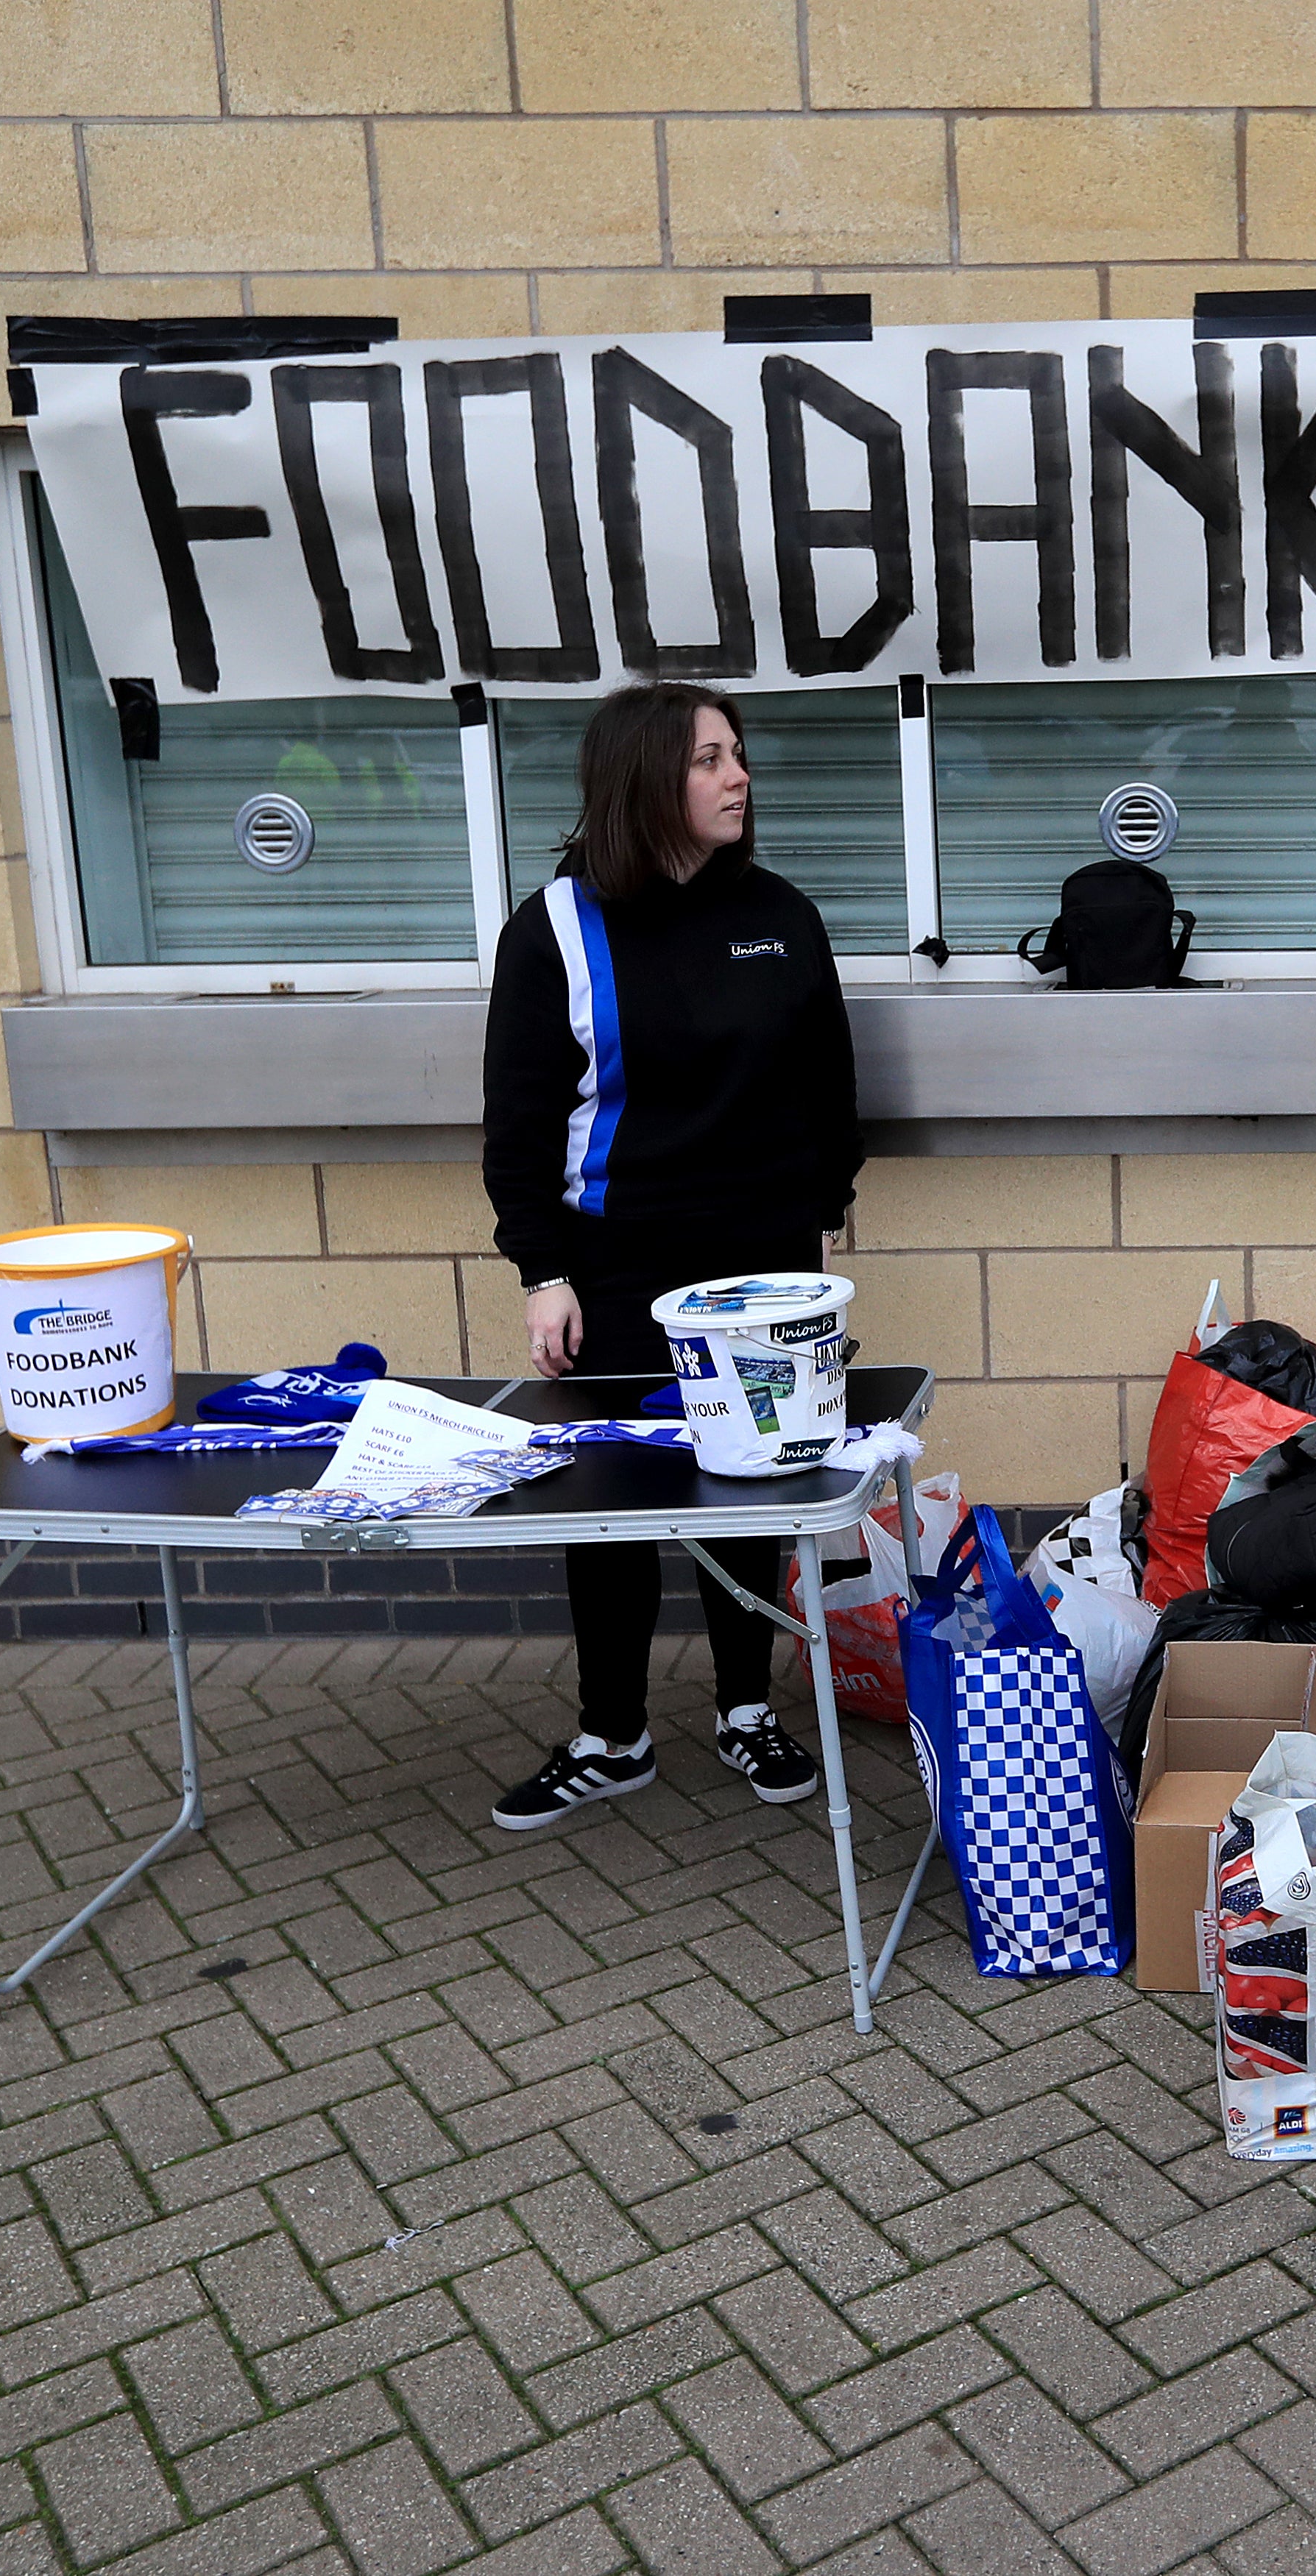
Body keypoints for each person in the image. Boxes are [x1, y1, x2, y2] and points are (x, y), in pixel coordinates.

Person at [479, 682, 863, 1829]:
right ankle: (613, 1734)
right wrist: (542, 1272)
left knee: (746, 1497)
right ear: (648, 779)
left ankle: (746, 1708)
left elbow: (830, 1087)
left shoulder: (782, 915)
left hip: (764, 1269)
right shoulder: (553, 928)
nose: (739, 776)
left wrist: (820, 1219)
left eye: (738, 755)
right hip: (613, 1270)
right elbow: (519, 1120)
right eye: (709, 760)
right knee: (610, 1506)